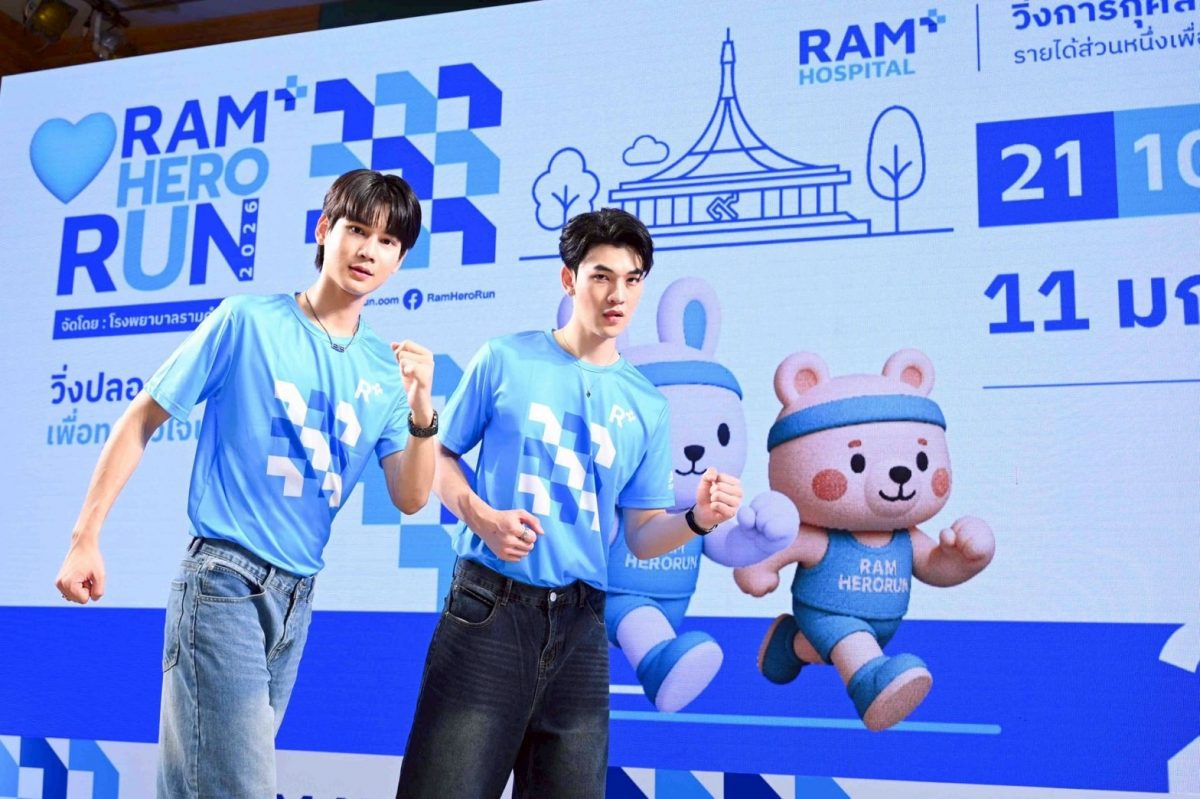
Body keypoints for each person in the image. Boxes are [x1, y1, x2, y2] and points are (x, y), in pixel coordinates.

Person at [53, 169, 438, 799]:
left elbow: (411, 495)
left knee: (201, 787)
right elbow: (140, 418)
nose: (369, 250)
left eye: (388, 241)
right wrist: (84, 537)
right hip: (224, 581)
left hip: (297, 599)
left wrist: (422, 409)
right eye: (356, 230)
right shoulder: (248, 320)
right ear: (324, 229)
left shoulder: (384, 369)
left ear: (400, 259)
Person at [396, 208, 743, 798]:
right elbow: (440, 457)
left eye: (632, 279)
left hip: (583, 626)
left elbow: (641, 535)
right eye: (601, 276)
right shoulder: (505, 358)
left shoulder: (647, 404)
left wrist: (698, 519)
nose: (618, 295)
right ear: (569, 279)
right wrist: (482, 517)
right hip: (490, 608)